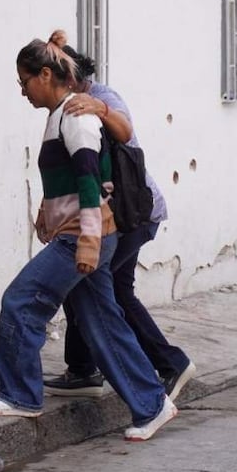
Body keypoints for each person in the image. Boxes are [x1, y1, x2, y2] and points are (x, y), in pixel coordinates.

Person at [0, 34, 177, 442]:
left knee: (22, 300)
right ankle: (152, 403)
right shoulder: (61, 114)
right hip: (87, 234)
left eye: (24, 82)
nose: (22, 92)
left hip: (83, 237)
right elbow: (67, 179)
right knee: (100, 321)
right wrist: (46, 213)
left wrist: (86, 241)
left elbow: (90, 182)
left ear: (46, 74)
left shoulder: (77, 116)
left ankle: (19, 394)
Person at [44, 32, 197, 403]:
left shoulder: (102, 96)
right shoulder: (64, 104)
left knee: (104, 288)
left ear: (74, 75)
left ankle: (170, 364)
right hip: (114, 213)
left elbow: (126, 131)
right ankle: (83, 370)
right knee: (88, 282)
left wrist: (100, 109)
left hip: (132, 213)